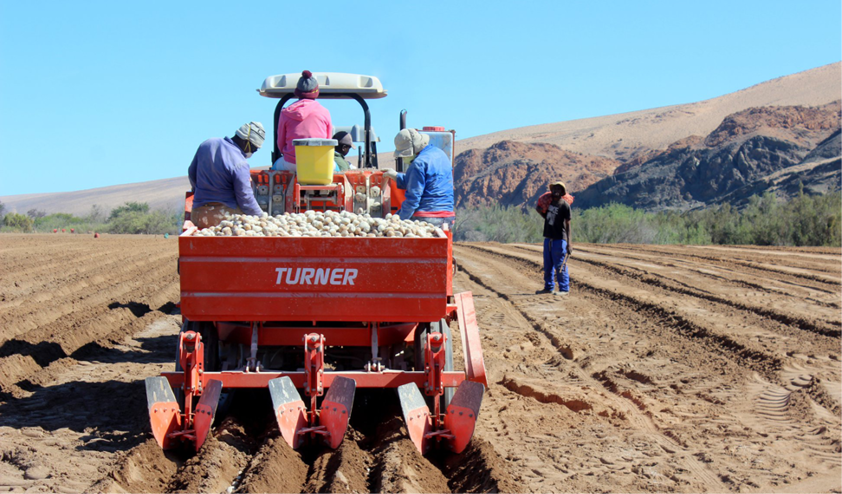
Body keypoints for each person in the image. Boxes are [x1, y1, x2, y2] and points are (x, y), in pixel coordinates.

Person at [188, 121, 265, 228]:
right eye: (254, 149)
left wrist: (199, 192)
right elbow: (245, 198)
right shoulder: (240, 163)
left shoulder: (207, 144)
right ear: (246, 141)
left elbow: (192, 173)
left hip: (198, 214)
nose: (253, 152)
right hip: (225, 216)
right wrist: (262, 218)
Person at [382, 129, 455, 230]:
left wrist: (397, 220)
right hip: (448, 217)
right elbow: (427, 182)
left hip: (426, 217)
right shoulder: (441, 154)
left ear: (411, 151)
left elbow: (413, 200)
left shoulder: (418, 163)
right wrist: (397, 176)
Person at [273, 70, 332, 171]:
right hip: (318, 163)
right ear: (316, 92)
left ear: (298, 91)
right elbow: (328, 140)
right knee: (336, 167)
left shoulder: (285, 112)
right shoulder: (324, 112)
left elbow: (280, 144)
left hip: (291, 163)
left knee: (275, 167)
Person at [535, 181, 572, 296]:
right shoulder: (550, 203)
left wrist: (569, 243)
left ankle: (564, 289)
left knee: (560, 265)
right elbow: (547, 216)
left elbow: (568, 225)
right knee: (548, 265)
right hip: (548, 238)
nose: (556, 191)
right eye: (554, 188)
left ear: (562, 192)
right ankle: (548, 287)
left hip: (559, 239)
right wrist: (541, 212)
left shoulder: (564, 205)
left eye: (559, 189)